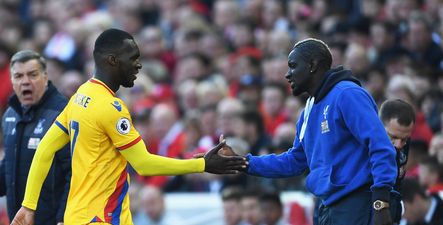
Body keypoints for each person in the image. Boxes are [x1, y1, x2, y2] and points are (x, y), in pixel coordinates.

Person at [11, 28, 247, 225]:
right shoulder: (110, 108)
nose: (138, 65)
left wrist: (28, 205)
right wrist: (203, 164)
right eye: (133, 57)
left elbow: (45, 149)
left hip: (77, 217)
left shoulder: (81, 95)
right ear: (113, 60)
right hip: (102, 218)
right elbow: (143, 164)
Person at [224, 38, 398, 225]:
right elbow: (295, 161)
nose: (287, 75)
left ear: (313, 65)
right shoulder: (308, 108)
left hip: (358, 203)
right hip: (327, 206)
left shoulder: (347, 94)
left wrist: (381, 202)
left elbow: (381, 146)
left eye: (293, 66)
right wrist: (242, 163)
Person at [0, 50, 71, 225]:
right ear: (12, 81)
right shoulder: (10, 115)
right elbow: (8, 165)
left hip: (53, 220)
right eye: (18, 76)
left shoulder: (62, 113)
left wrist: (63, 218)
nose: (25, 81)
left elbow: (74, 171)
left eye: (32, 75)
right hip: (18, 219)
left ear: (45, 77)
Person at [379, 98, 416, 224]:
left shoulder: (403, 142)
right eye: (393, 137)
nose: (399, 145)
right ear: (379, 127)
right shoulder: (363, 148)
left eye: (405, 139)